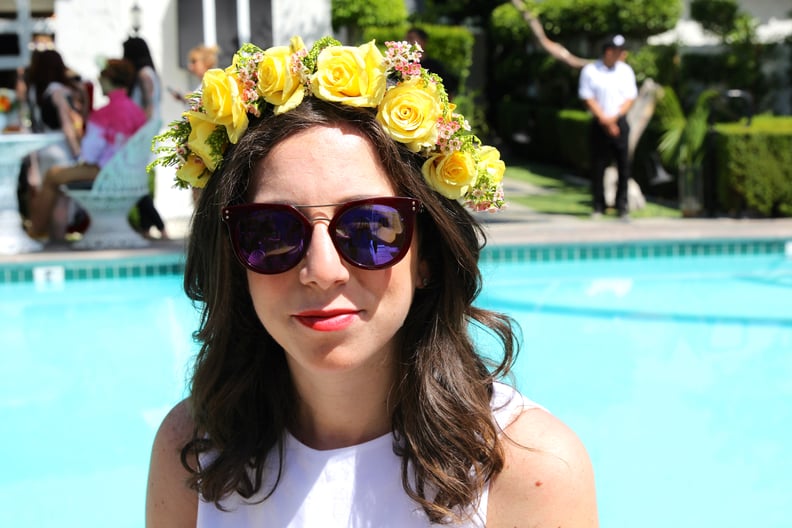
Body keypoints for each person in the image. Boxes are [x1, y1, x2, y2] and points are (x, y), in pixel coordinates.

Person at [145, 36, 598, 527]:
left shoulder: (532, 468)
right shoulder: (189, 451)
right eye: (272, 231)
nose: (322, 271)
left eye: (369, 228)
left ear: (427, 255)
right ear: (235, 259)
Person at [26, 59, 148, 239]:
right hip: (131, 174)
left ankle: (35, 232)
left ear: (109, 80)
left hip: (103, 173)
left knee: (52, 176)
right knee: (59, 179)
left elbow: (89, 155)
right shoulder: (137, 112)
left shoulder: (103, 114)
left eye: (101, 79)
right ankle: (52, 235)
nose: (98, 83)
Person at [578, 34, 637, 219]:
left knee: (624, 166)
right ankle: (598, 205)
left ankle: (622, 206)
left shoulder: (625, 71)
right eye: (620, 51)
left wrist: (614, 119)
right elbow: (587, 97)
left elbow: (630, 97)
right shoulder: (590, 70)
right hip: (599, 122)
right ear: (609, 51)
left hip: (619, 121)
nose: (623, 54)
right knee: (598, 165)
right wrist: (605, 119)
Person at [122, 36, 168, 239]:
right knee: (139, 182)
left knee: (137, 182)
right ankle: (147, 226)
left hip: (143, 135)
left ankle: (157, 225)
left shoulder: (143, 75)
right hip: (148, 134)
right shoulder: (151, 74)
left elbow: (148, 107)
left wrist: (137, 133)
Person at [406, 27, 460, 98]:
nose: (408, 42)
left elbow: (448, 90)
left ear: (424, 41)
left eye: (411, 38)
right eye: (407, 39)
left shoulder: (435, 66)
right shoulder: (405, 65)